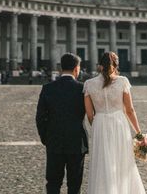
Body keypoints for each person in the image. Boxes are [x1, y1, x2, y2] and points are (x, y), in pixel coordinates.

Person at [84, 52, 145, 194]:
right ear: (116, 65)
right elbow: (129, 110)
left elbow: (89, 113)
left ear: (100, 65)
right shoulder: (123, 81)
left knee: (102, 162)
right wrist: (139, 133)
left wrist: (97, 124)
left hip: (99, 123)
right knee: (122, 161)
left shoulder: (89, 84)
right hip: (119, 123)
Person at [36, 53, 88, 194]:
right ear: (77, 69)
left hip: (54, 141)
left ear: (60, 68)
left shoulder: (48, 88)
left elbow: (40, 118)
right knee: (74, 185)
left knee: (53, 183)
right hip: (76, 142)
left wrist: (46, 138)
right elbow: (90, 114)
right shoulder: (82, 89)